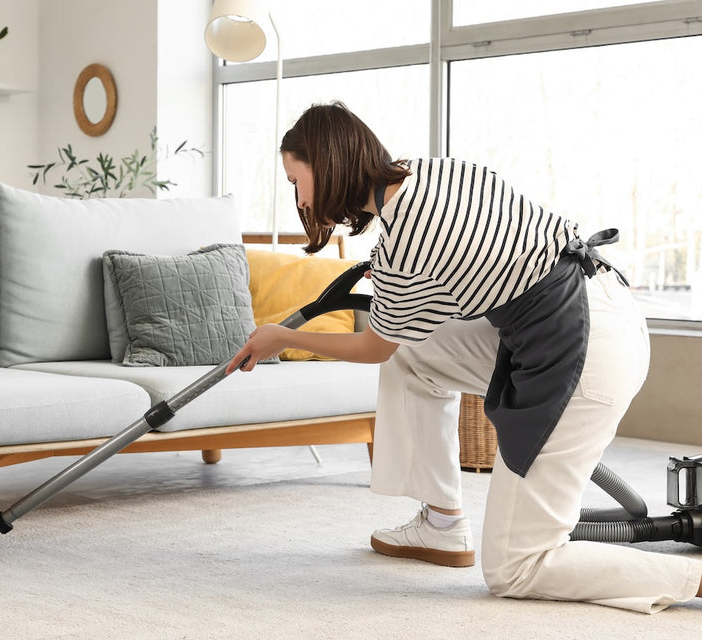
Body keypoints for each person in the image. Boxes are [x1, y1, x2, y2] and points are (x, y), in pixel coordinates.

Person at [225, 101, 702, 613]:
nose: (298, 196)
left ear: (329, 164)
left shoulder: (404, 242)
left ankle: (691, 580)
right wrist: (393, 286)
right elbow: (439, 298)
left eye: (297, 180)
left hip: (583, 351)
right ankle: (443, 522)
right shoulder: (436, 172)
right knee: (414, 357)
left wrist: (283, 337)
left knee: (516, 567)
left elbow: (372, 346)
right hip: (601, 304)